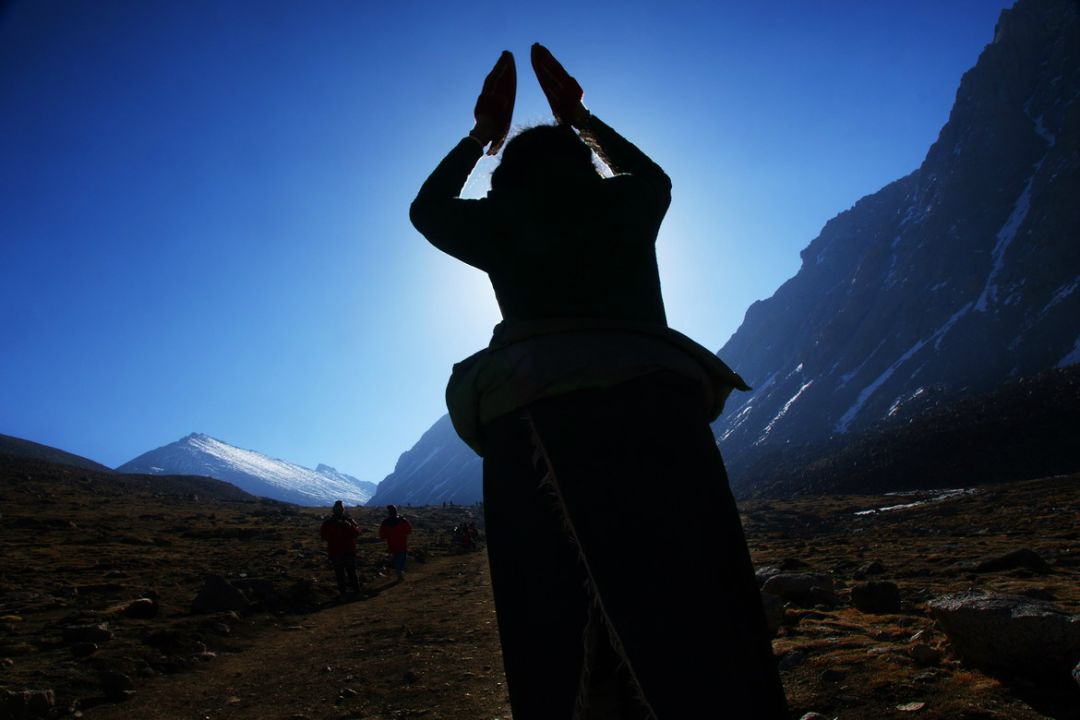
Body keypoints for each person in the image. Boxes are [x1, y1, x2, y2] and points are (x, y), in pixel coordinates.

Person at [410, 44, 789, 719]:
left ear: (505, 185)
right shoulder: (626, 206)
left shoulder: (501, 221)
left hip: (532, 417)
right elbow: (654, 175)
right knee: (692, 593)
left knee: (553, 609)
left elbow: (427, 209)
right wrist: (581, 118)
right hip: (656, 407)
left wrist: (479, 137)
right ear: (587, 170)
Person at [320, 500, 361, 597]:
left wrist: (348, 526)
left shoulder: (329, 523)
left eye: (340, 508)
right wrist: (349, 526)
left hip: (337, 551)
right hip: (345, 551)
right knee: (349, 573)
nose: (339, 510)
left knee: (343, 574)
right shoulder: (347, 521)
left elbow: (324, 536)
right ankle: (355, 592)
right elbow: (356, 533)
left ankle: (347, 593)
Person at [378, 504, 412, 581]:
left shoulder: (385, 522)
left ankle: (398, 570)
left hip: (391, 543)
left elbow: (382, 535)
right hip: (402, 542)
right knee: (402, 557)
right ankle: (399, 570)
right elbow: (409, 530)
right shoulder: (402, 520)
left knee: (395, 556)